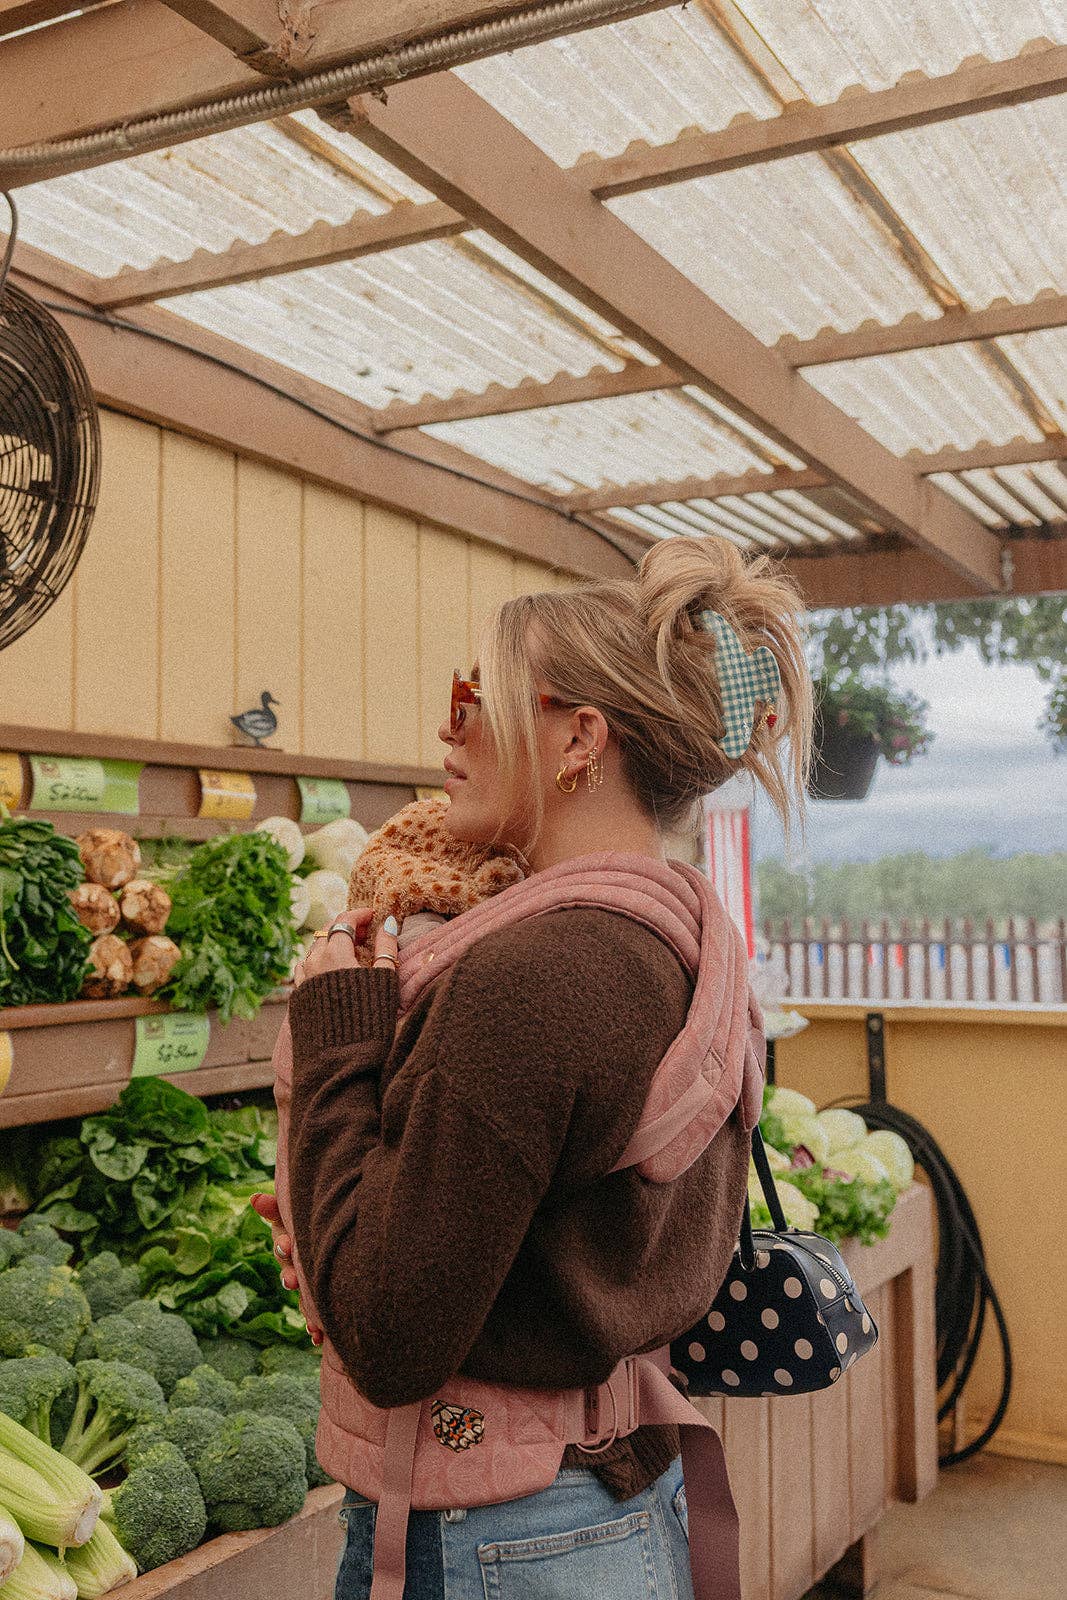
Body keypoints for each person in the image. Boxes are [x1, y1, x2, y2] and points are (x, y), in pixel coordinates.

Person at [253, 534, 812, 1600]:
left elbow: (389, 1334)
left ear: (577, 739)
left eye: (476, 694)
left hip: (492, 1541)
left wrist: (335, 1037)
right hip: (603, 1504)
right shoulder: (678, 938)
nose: (446, 725)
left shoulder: (528, 978)